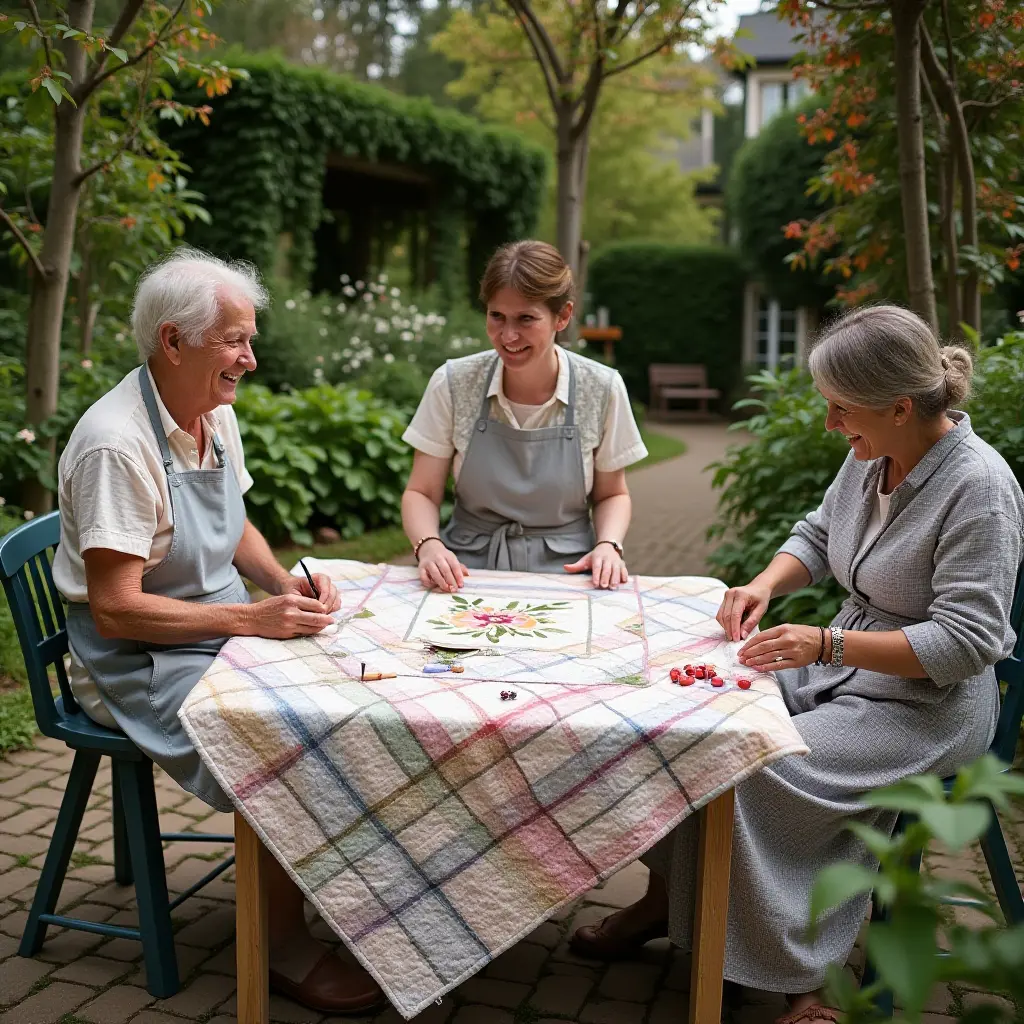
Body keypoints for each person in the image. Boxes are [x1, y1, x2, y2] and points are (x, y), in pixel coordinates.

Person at [570, 305, 1024, 1023]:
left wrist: (824, 644)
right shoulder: (871, 454)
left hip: (925, 706)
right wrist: (763, 585)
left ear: (901, 406)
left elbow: (966, 643)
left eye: (841, 408)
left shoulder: (981, 489)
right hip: (842, 668)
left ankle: (797, 977)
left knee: (758, 764)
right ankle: (664, 902)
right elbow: (815, 534)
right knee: (687, 717)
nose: (830, 425)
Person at [53, 248, 383, 1016]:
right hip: (133, 660)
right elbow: (115, 610)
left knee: (351, 692)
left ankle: (330, 887)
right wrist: (249, 620)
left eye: (249, 338)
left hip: (211, 632)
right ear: (173, 342)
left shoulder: (211, 414)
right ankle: (281, 944)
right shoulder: (116, 442)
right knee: (289, 733)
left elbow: (233, 523)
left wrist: (281, 584)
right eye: (235, 340)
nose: (252, 358)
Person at [401, 240, 648, 591]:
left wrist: (608, 545)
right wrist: (428, 546)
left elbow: (612, 495)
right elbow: (421, 491)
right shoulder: (453, 383)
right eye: (496, 316)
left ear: (562, 316)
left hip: (571, 576)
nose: (508, 335)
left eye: (526, 319)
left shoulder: (602, 388)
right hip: (464, 575)